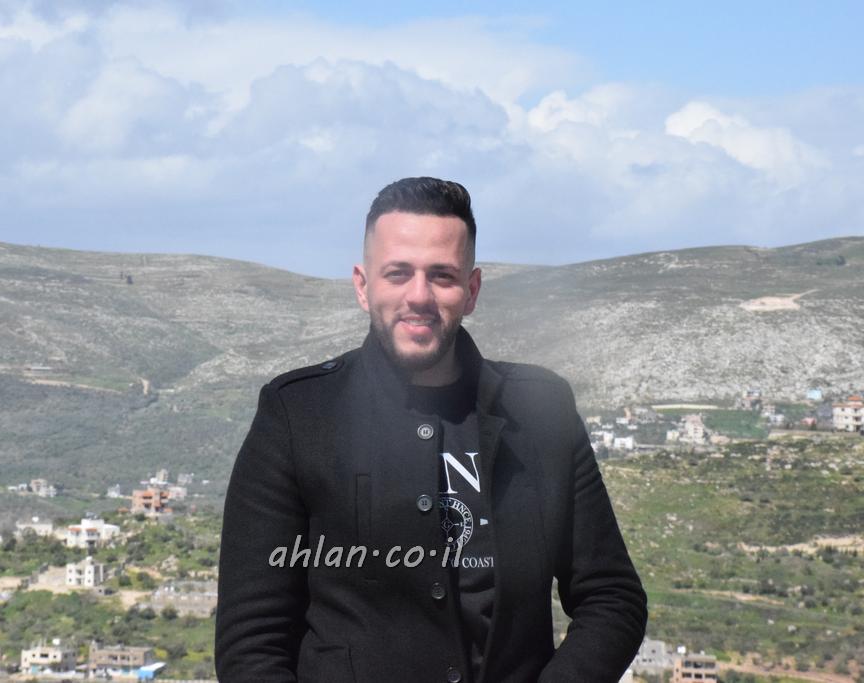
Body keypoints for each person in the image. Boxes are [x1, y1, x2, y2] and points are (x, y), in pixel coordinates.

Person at [215, 177, 647, 682]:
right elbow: (251, 643)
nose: (418, 296)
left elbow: (611, 598)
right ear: (362, 286)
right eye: (398, 273)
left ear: (472, 290)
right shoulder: (297, 414)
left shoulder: (541, 411)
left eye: (442, 275)